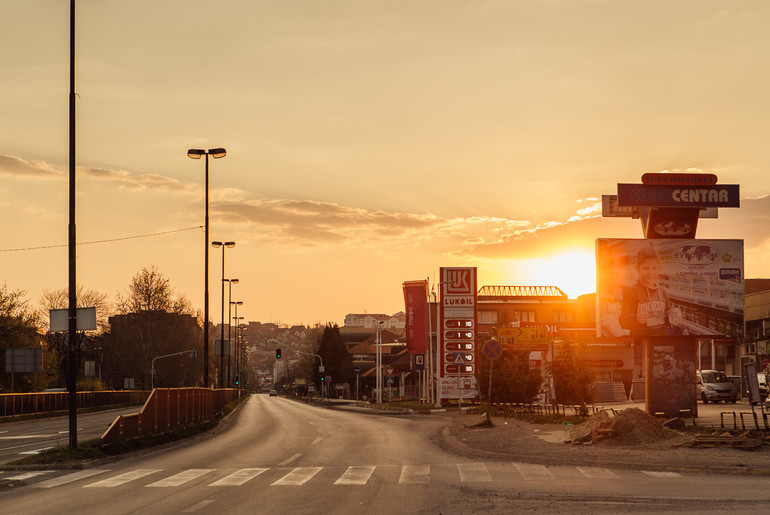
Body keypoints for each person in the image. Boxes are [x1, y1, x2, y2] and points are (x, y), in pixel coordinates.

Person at [619, 245, 684, 336]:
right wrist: (636, 318)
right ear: (637, 269)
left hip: (662, 338)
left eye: (654, 268)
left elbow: (666, 315)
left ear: (659, 269)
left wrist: (673, 314)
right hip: (641, 340)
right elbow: (623, 322)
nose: (651, 273)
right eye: (646, 268)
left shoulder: (663, 292)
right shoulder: (631, 291)